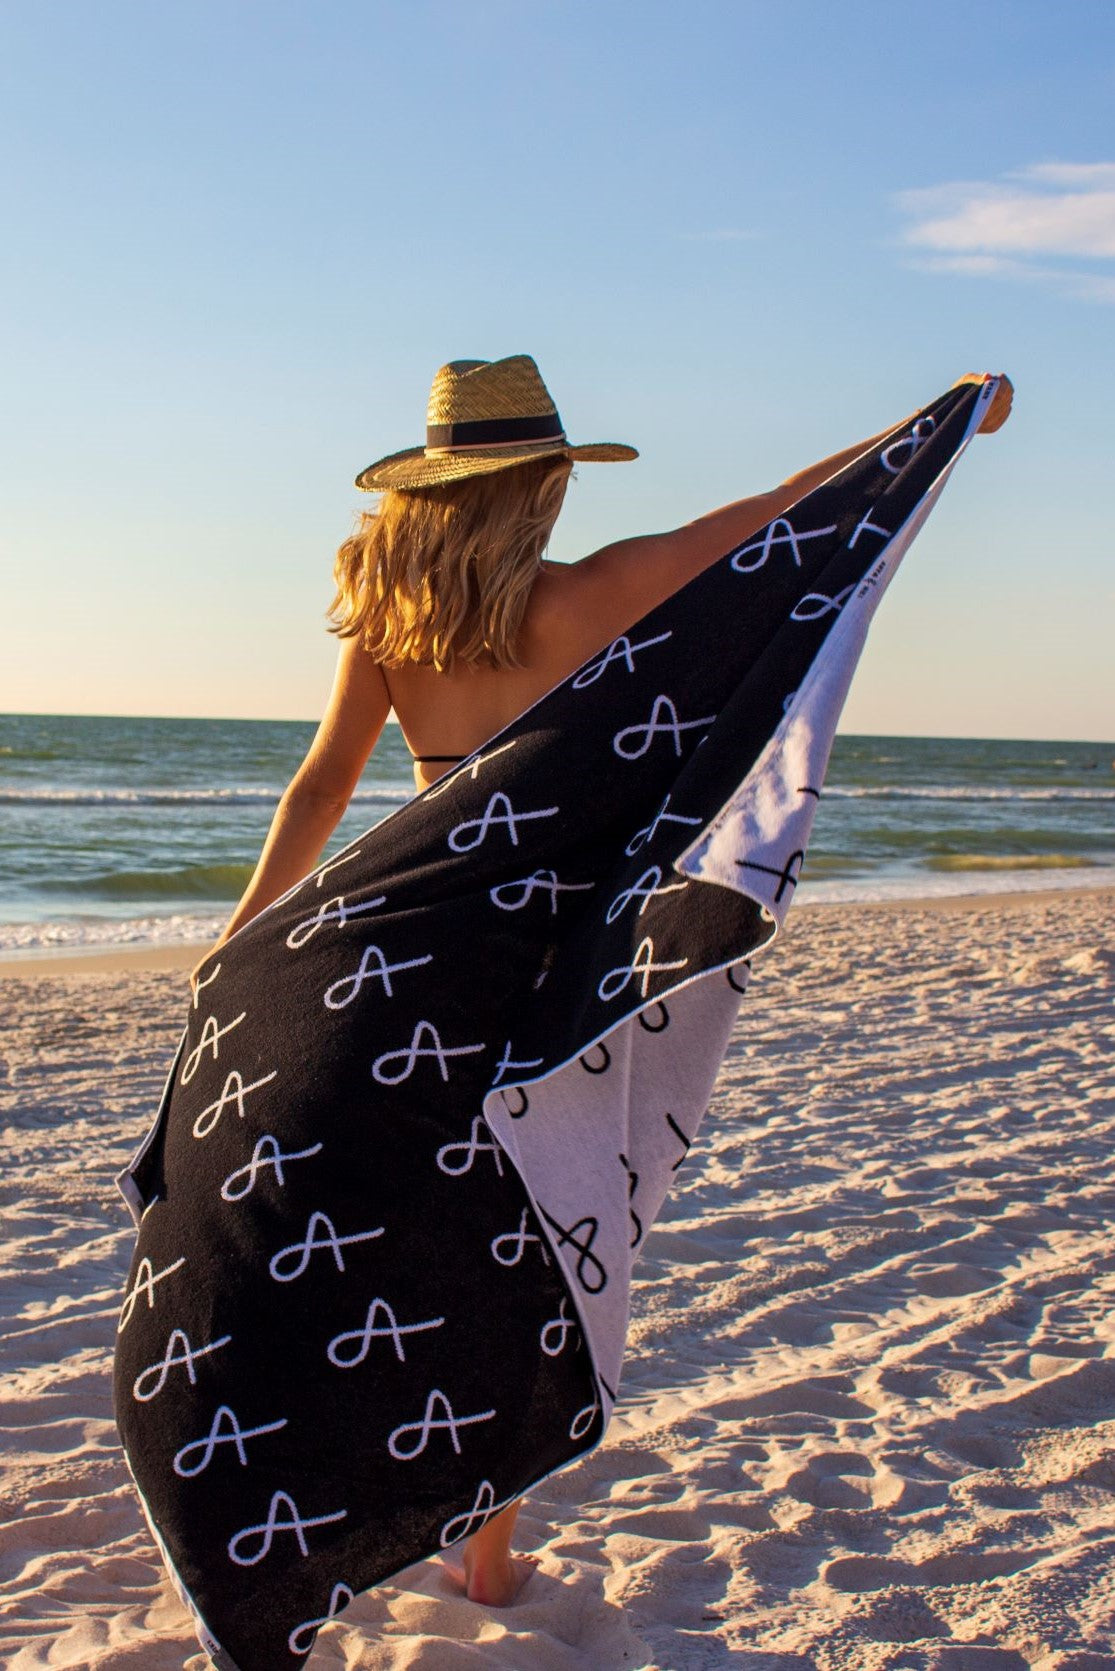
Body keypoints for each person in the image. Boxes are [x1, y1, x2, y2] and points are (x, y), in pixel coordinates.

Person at [191, 353, 1013, 1608]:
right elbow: (783, 513)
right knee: (527, 1245)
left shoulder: (389, 621)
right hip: (551, 972)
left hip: (400, 956)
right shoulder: (609, 587)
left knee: (366, 1236)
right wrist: (932, 420)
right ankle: (486, 1551)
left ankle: (300, 1495)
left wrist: (243, 934)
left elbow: (318, 788)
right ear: (543, 483)